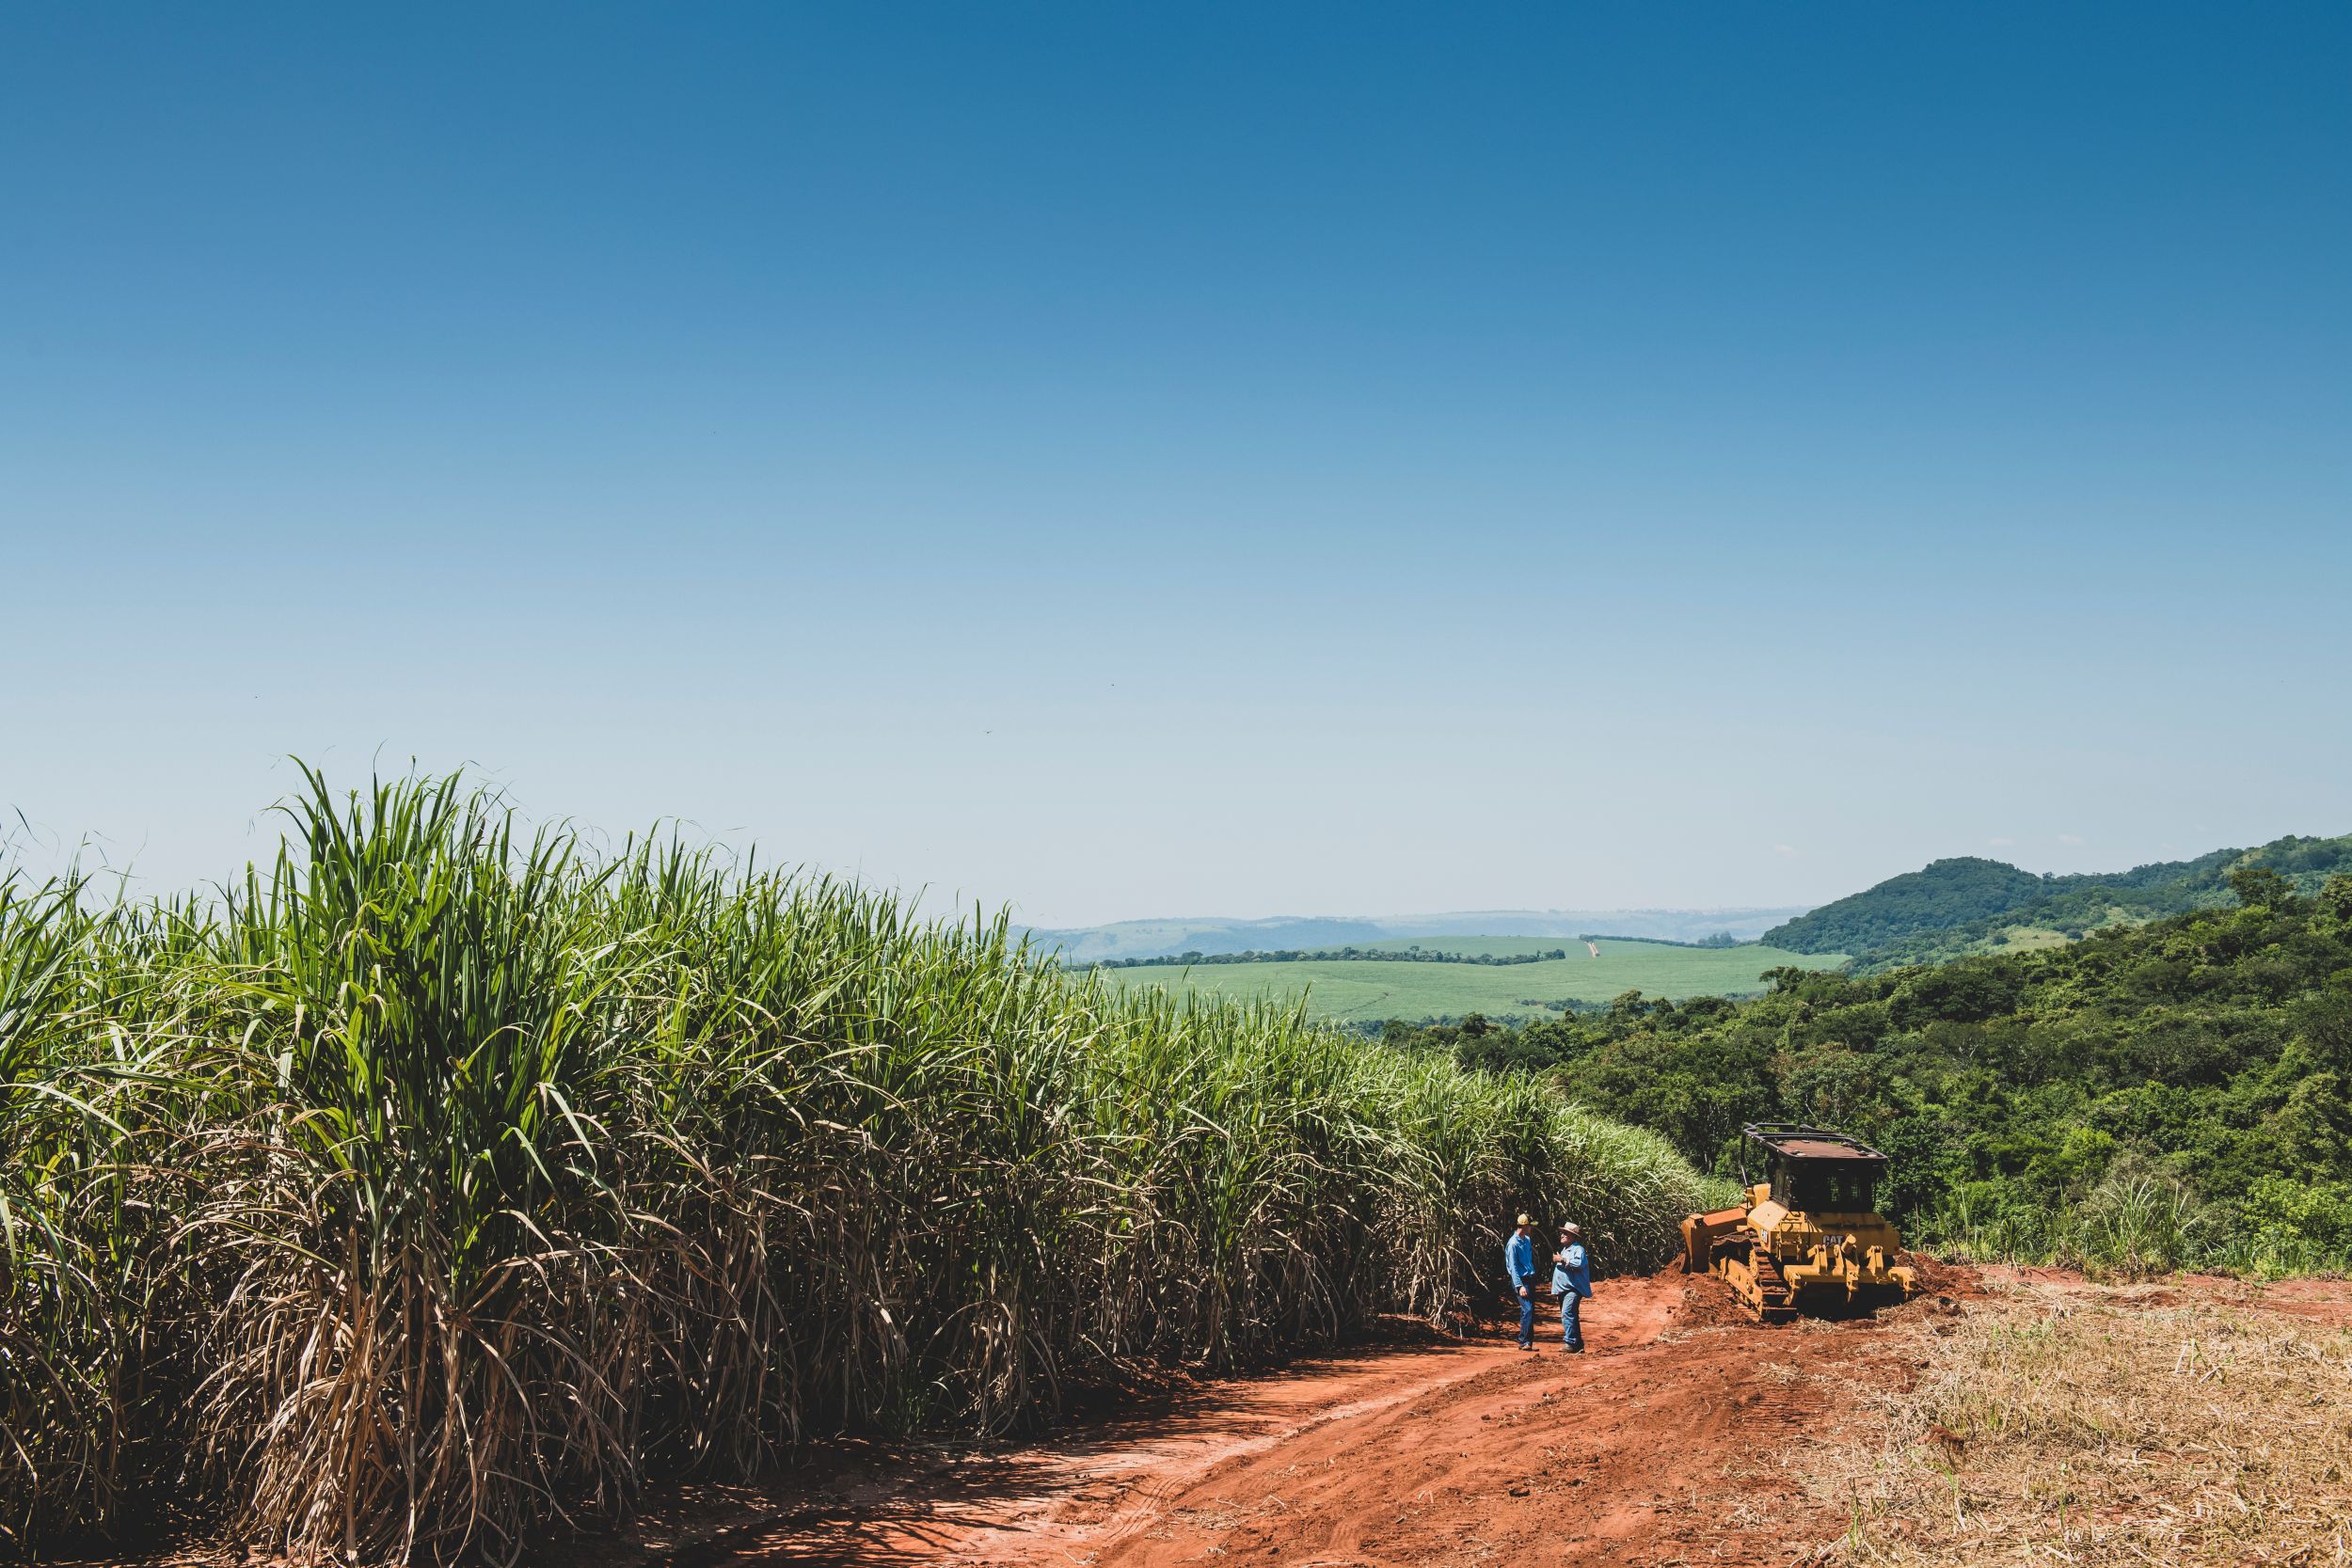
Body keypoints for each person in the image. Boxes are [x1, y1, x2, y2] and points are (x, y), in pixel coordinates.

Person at [1552, 1221, 1591, 1353]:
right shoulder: (1565, 1249)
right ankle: (1577, 1344)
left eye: (1566, 1233)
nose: (1562, 1235)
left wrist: (1562, 1260)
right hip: (1564, 1289)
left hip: (1573, 1289)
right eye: (1562, 1233)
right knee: (1571, 1314)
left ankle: (1571, 1343)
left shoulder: (1577, 1249)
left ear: (1574, 1237)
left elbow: (1578, 1263)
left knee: (1567, 1313)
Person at [1504, 1212, 1540, 1349]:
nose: (1531, 1228)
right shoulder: (1513, 1244)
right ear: (1524, 1226)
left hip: (1530, 1278)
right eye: (1530, 1225)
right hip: (1521, 1280)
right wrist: (1519, 1286)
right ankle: (1524, 1341)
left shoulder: (1527, 1240)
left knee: (1529, 1310)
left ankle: (1528, 1342)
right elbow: (1513, 1267)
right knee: (1528, 1309)